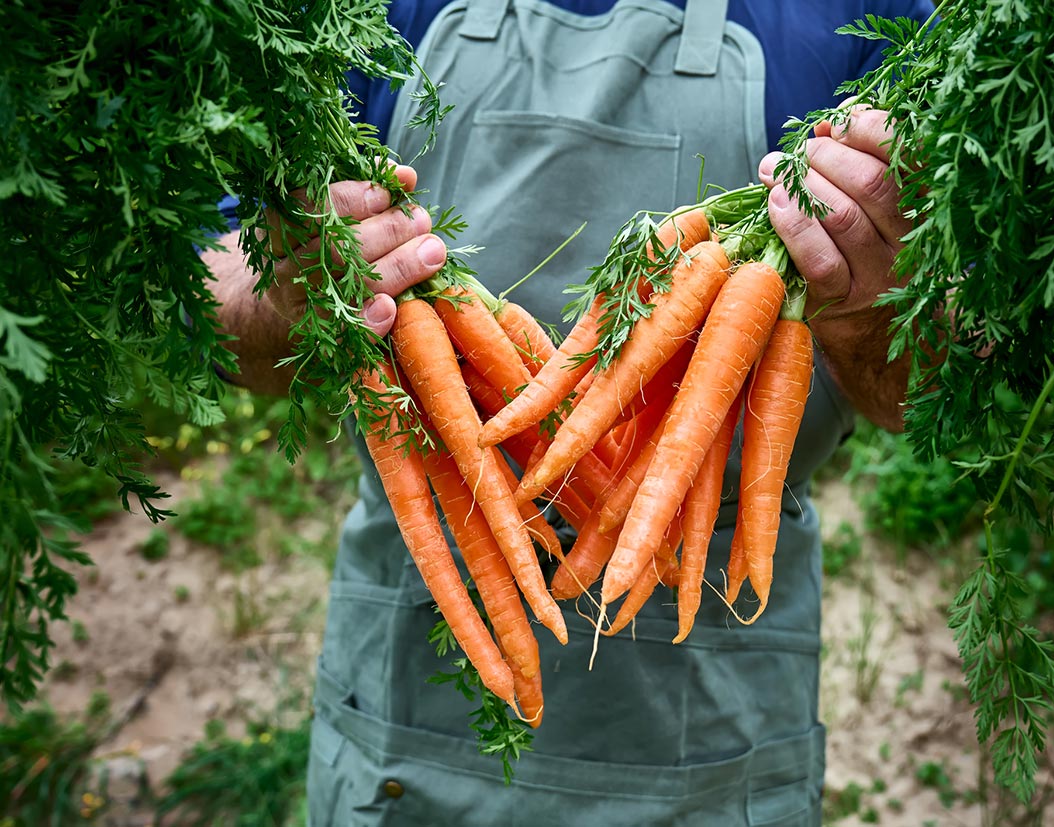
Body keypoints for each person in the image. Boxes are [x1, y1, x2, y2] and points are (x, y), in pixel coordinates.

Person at [205, 1, 934, 823]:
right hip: (407, 711)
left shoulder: (864, 20)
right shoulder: (339, 19)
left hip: (715, 730)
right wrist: (285, 293)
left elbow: (924, 394)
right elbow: (212, 299)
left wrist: (871, 305)